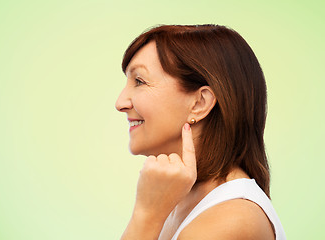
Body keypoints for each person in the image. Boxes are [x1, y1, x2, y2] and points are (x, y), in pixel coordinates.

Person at [115, 25, 286, 240]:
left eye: (139, 81)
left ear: (200, 103)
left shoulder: (232, 219)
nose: (120, 103)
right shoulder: (178, 201)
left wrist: (146, 216)